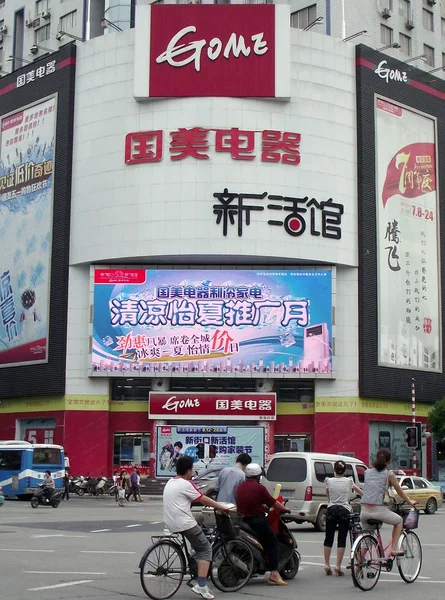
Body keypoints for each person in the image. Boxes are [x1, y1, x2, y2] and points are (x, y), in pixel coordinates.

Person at [163, 455, 230, 600]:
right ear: (188, 470)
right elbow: (202, 498)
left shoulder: (170, 482)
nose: (193, 471)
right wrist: (221, 507)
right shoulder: (186, 484)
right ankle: (201, 585)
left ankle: (195, 555)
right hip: (183, 523)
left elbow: (188, 500)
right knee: (205, 548)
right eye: (192, 469)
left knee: (199, 520)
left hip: (170, 522)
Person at [236, 463, 291, 586]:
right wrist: (285, 509)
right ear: (258, 476)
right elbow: (273, 503)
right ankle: (274, 574)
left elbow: (252, 503)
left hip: (242, 521)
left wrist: (263, 508)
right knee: (272, 543)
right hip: (256, 522)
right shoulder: (259, 488)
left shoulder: (240, 487)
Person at [361, 449, 416, 556]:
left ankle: (357, 566)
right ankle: (394, 548)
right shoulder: (389, 474)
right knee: (399, 521)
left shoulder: (367, 472)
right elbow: (399, 491)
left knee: (366, 540)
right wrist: (409, 501)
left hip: (364, 510)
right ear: (388, 462)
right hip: (379, 510)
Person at [323, 460, 363, 576]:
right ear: (345, 470)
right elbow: (359, 491)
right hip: (344, 509)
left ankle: (326, 564)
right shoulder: (348, 481)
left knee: (328, 537)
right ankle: (338, 566)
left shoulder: (329, 481)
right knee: (342, 537)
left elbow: (328, 495)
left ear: (334, 470)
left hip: (331, 509)